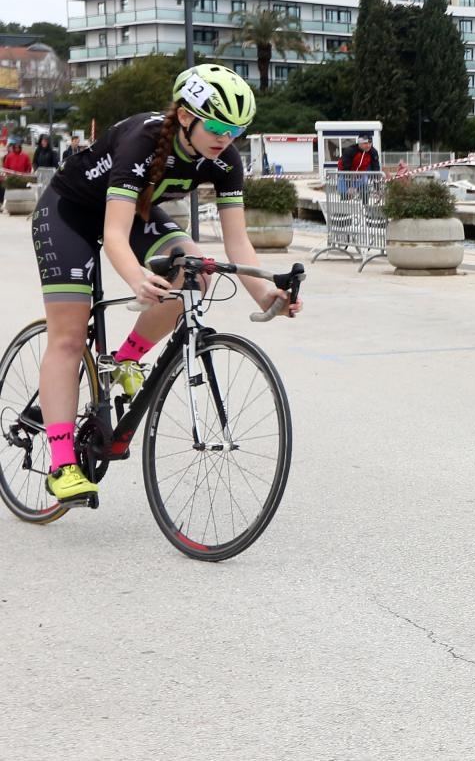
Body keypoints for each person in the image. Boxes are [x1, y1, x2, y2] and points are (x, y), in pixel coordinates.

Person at [29, 64, 303, 505]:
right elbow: (114, 236)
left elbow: (237, 241)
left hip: (135, 212)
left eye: (237, 129)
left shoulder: (224, 158)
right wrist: (137, 278)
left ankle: (124, 360)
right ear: (185, 116)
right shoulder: (143, 139)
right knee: (69, 336)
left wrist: (266, 291)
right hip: (69, 214)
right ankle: (62, 462)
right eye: (215, 125)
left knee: (198, 267)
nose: (225, 137)